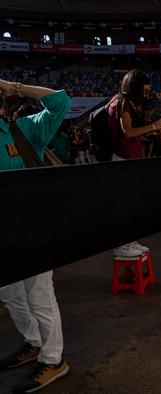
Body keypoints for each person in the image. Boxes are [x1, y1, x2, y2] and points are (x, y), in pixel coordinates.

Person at [0, 80, 71, 393]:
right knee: (10, 293)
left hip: (32, 226)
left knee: (38, 294)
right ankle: (33, 342)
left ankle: (54, 360)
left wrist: (10, 85)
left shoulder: (22, 130)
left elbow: (61, 102)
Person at [108, 69, 161, 256]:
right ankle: (121, 245)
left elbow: (134, 132)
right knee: (123, 205)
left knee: (131, 204)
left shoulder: (128, 103)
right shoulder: (121, 102)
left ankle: (129, 241)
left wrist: (153, 129)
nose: (145, 94)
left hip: (130, 158)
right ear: (134, 87)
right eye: (144, 90)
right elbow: (128, 132)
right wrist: (152, 127)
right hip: (122, 158)